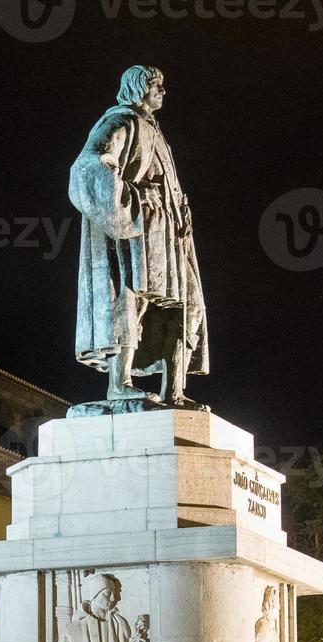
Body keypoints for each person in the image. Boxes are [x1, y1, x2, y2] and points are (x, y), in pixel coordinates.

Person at [69, 65, 208, 408]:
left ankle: (174, 391)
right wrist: (127, 203)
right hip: (137, 229)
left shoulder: (154, 130)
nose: (162, 92)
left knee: (188, 305)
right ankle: (119, 384)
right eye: (156, 85)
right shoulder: (121, 121)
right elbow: (88, 166)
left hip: (169, 235)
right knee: (130, 299)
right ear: (138, 88)